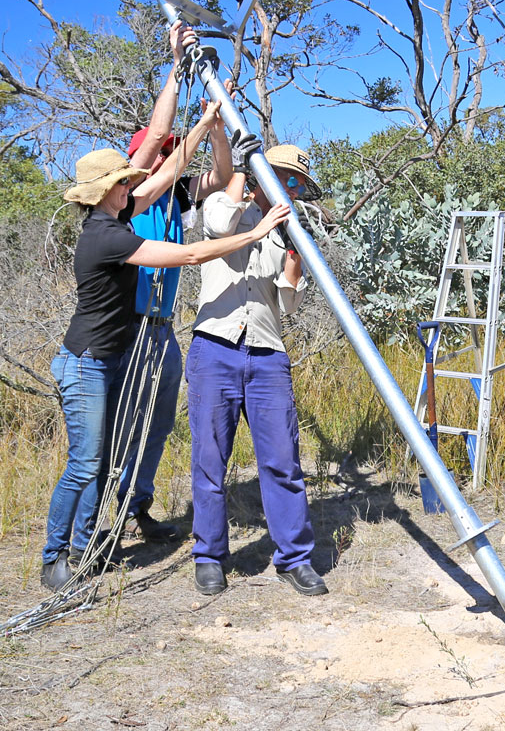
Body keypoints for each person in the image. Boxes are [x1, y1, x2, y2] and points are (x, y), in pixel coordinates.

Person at [42, 144, 290, 592]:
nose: (131, 186)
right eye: (123, 182)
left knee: (101, 458)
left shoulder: (114, 217)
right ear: (106, 191)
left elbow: (163, 174)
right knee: (84, 464)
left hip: (106, 360)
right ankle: (55, 556)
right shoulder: (108, 234)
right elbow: (192, 256)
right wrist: (256, 235)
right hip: (85, 363)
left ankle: (84, 548)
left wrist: (208, 123)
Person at [185, 143, 327, 598]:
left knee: (283, 461)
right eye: (281, 177)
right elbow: (218, 224)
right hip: (215, 347)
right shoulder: (227, 206)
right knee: (210, 461)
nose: (287, 188)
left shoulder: (291, 231)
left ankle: (295, 559)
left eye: (293, 183)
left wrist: (294, 256)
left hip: (266, 354)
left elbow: (287, 302)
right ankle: (209, 557)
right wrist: (243, 174)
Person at [112, 41, 237, 543]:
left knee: (159, 424)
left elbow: (224, 177)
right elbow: (161, 143)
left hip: (162, 331)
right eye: (161, 155)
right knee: (120, 427)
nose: (168, 162)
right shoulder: (127, 201)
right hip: (127, 328)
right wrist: (198, 114)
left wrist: (219, 128)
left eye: (170, 156)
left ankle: (138, 506)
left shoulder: (175, 198)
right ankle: (105, 519)